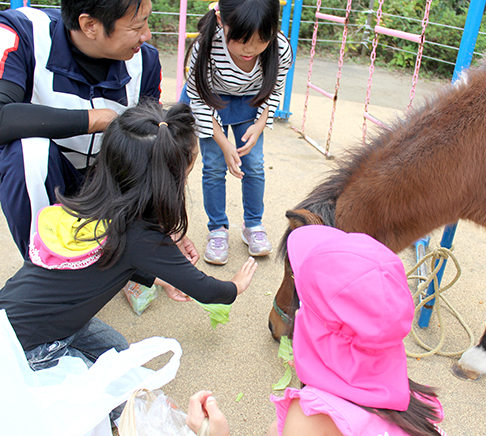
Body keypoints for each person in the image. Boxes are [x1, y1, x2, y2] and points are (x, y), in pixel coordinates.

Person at [0, 101, 257, 378]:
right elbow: (206, 290)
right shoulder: (141, 235)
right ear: (170, 177)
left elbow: (110, 262)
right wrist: (235, 286)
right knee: (115, 393)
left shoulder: (92, 205)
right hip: (27, 345)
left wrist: (162, 278)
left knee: (117, 350)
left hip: (17, 315)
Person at [186, 226, 446, 436]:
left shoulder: (312, 417)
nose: (298, 312)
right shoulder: (417, 403)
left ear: (319, 332)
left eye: (304, 305)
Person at [0, 0, 162, 259]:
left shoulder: (146, 61)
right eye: (137, 25)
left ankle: (126, 262)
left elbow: (154, 148)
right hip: (52, 177)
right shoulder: (24, 32)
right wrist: (93, 119)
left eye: (147, 21)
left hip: (106, 180)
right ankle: (46, 268)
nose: (147, 35)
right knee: (29, 150)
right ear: (89, 25)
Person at [185, 0, 292, 265]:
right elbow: (198, 99)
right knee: (213, 166)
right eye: (243, 39)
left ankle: (253, 226)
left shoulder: (279, 48)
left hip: (252, 103)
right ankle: (217, 229)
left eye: (261, 39)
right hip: (213, 102)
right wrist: (223, 142)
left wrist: (259, 125)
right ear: (222, 21)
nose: (251, 49)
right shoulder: (205, 47)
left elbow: (274, 89)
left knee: (253, 165)